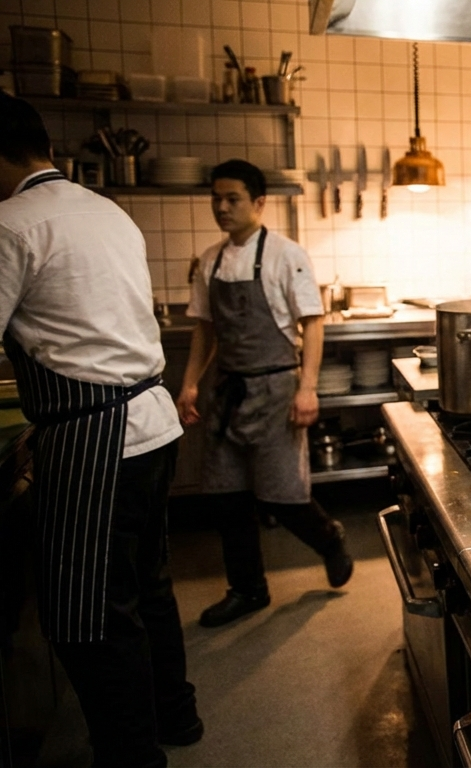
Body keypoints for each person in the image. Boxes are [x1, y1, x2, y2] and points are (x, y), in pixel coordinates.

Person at [0, 92, 200, 767]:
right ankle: (178, 717)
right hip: (152, 425)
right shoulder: (105, 209)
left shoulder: (10, 224)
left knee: (85, 618)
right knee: (147, 589)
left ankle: (131, 756)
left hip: (95, 441)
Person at [176, 160, 352, 628]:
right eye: (216, 198)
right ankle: (248, 589)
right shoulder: (210, 259)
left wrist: (307, 389)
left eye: (232, 199)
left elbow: (312, 323)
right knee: (227, 498)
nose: (222, 207)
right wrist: (191, 382)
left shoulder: (286, 255)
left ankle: (329, 538)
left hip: (276, 387)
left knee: (281, 495)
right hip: (227, 390)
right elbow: (205, 329)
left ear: (258, 203)